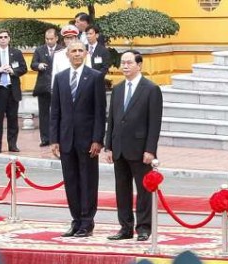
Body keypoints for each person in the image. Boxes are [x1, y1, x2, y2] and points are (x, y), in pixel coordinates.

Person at [104, 50, 162, 241]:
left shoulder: (151, 89)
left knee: (144, 190)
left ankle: (144, 227)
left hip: (140, 148)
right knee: (122, 189)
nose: (125, 66)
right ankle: (125, 227)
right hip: (119, 147)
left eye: (129, 63)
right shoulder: (118, 89)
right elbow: (112, 119)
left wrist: (150, 150)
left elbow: (154, 123)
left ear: (139, 65)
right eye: (122, 63)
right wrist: (109, 146)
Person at [50, 41, 105, 239]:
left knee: (88, 181)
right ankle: (76, 220)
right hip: (66, 139)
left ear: (86, 53)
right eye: (73, 51)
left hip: (87, 140)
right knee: (71, 182)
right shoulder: (60, 78)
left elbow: (100, 112)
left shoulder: (95, 77)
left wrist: (97, 140)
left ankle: (87, 221)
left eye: (80, 50)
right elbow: (55, 111)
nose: (77, 54)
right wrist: (54, 139)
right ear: (67, 54)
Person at [0, 28, 27, 154]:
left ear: (9, 39)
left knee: (13, 119)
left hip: (12, 90)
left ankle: (12, 144)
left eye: (5, 37)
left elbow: (23, 68)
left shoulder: (16, 53)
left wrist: (13, 71)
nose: (3, 39)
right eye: (1, 37)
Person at [31, 27, 60, 147]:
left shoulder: (62, 50)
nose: (49, 41)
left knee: (58, 113)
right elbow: (32, 64)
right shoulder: (39, 50)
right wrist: (38, 65)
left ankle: (57, 138)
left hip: (57, 85)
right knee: (43, 114)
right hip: (43, 86)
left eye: (51, 39)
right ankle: (45, 138)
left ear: (56, 38)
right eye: (47, 39)